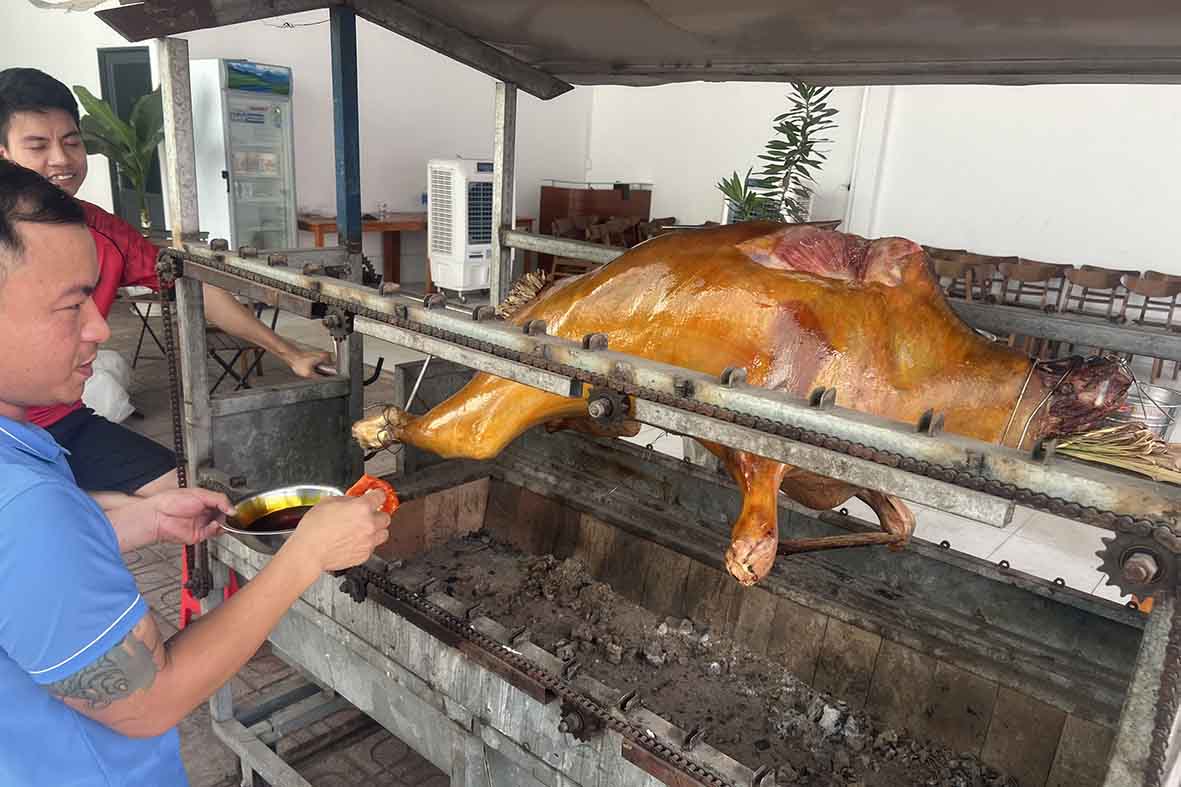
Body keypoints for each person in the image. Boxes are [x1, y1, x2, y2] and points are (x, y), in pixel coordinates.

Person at [0, 158, 391, 784]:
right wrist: (304, 556)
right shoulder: (27, 507)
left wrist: (139, 520)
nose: (100, 327)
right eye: (72, 305)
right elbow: (145, 703)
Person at [0, 67, 332, 501]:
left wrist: (290, 353)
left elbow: (195, 289)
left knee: (199, 504)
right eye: (38, 146)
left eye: (71, 142)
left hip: (63, 423)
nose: (61, 159)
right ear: (4, 153)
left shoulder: (104, 232)